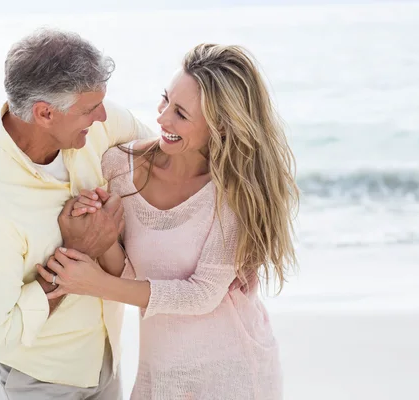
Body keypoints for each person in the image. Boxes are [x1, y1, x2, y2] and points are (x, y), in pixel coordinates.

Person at [37, 43, 299, 400]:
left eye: (180, 113)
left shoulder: (233, 194)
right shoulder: (119, 167)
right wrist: (104, 233)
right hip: (159, 375)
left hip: (234, 373)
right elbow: (134, 276)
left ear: (220, 125)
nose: (161, 119)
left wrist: (92, 283)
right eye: (165, 100)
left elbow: (202, 294)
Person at [0, 28, 152, 400]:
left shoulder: (93, 123)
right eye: (90, 109)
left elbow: (157, 159)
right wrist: (79, 251)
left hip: (104, 356)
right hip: (38, 378)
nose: (104, 115)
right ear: (44, 113)